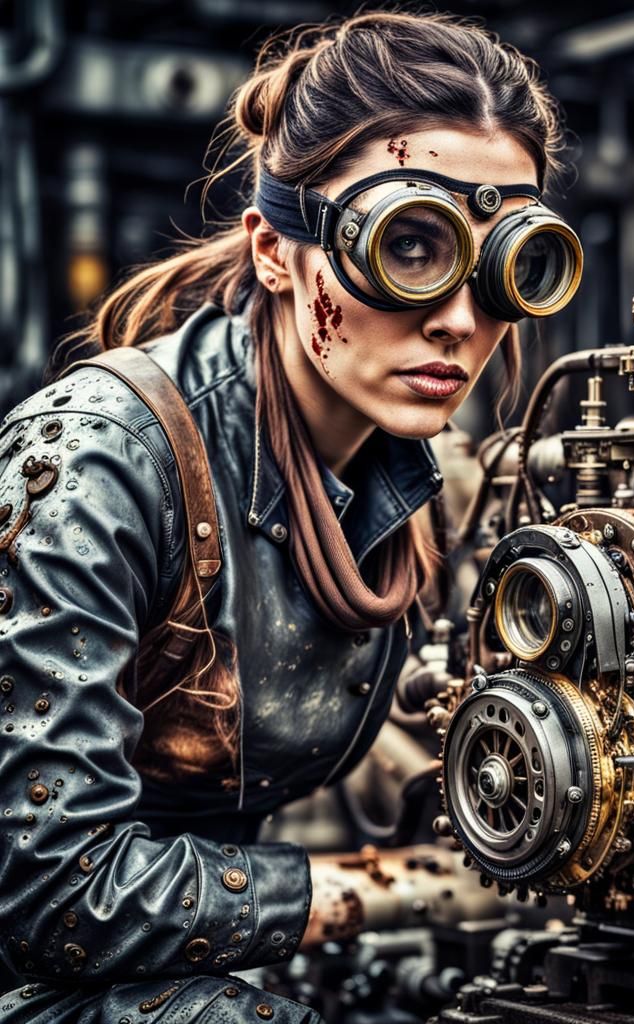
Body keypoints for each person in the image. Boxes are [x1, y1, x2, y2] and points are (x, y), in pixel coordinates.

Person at [0, 11, 580, 1022]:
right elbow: (52, 894)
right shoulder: (98, 465)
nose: (458, 318)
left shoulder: (414, 483)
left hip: (185, 960)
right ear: (277, 252)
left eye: (503, 268)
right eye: (410, 246)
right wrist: (385, 888)